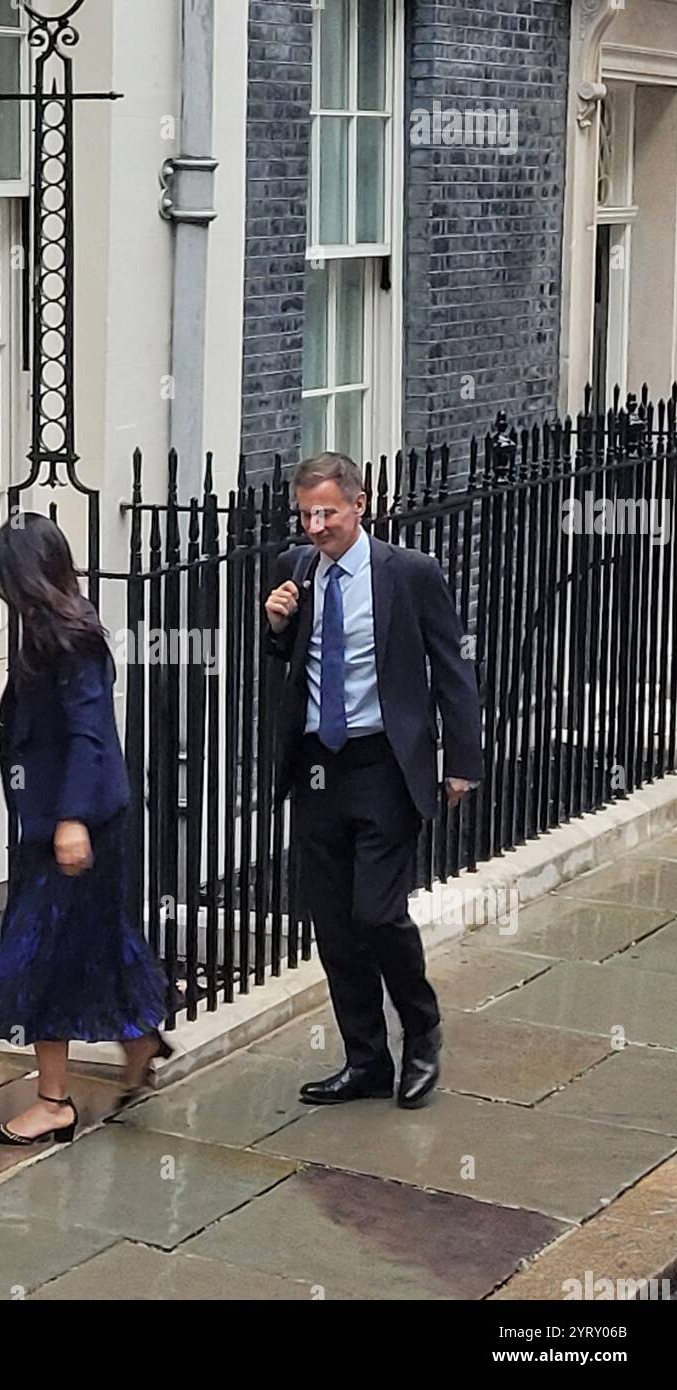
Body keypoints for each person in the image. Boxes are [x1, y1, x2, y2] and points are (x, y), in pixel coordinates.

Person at [264, 452, 483, 1109]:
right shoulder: (294, 569)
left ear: (361, 505)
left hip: (385, 763)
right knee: (333, 924)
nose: (316, 526)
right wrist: (276, 626)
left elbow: (451, 666)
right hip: (317, 767)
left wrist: (463, 761)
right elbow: (288, 657)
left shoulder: (409, 573)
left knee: (378, 913)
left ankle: (422, 1031)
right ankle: (365, 1061)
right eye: (306, 514)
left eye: (328, 511)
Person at [0, 513, 170, 1145]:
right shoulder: (52, 629)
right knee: (98, 941)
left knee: (39, 960)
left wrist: (69, 821)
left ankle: (53, 1103)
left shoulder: (70, 639)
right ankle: (140, 1036)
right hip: (69, 823)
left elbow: (91, 735)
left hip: (72, 829)